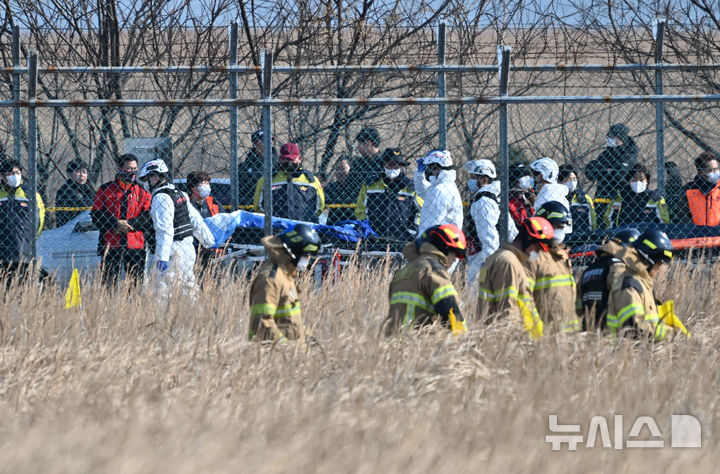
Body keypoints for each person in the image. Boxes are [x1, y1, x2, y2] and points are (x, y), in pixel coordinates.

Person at [136, 159, 215, 297]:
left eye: (147, 178)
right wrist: (209, 242)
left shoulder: (161, 197)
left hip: (172, 252)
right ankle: (196, 317)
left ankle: (162, 319)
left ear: (155, 176)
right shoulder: (180, 193)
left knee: (161, 293)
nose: (146, 183)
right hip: (188, 249)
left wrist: (162, 257)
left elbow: (164, 230)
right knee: (188, 290)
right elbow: (196, 221)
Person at [476, 216, 554, 339]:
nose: (538, 253)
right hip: (513, 339)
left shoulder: (506, 259)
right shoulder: (508, 262)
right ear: (528, 239)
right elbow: (507, 310)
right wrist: (513, 344)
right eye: (538, 248)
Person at [385, 224, 468, 336]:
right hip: (418, 344)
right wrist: (466, 341)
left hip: (391, 343)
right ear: (445, 248)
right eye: (455, 253)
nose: (455, 259)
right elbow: (451, 312)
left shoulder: (403, 272)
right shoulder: (434, 271)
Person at [248, 224, 321, 343]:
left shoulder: (286, 277)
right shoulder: (271, 279)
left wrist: (311, 342)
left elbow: (292, 322)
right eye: (305, 255)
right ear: (292, 251)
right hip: (274, 356)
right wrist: (288, 349)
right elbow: (262, 322)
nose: (308, 259)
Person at [91, 154, 152, 286]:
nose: (133, 172)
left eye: (135, 168)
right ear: (119, 168)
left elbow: (148, 218)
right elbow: (96, 214)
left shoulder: (142, 191)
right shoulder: (105, 189)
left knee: (135, 285)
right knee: (108, 284)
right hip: (111, 244)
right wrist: (116, 223)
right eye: (129, 168)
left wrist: (129, 224)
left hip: (135, 245)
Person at [606, 228, 677, 341]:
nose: (659, 269)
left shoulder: (640, 281)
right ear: (649, 260)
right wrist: (671, 334)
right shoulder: (630, 283)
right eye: (659, 264)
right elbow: (635, 326)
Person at [528, 201, 580, 333]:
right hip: (546, 332)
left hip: (569, 332)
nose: (560, 231)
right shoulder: (533, 256)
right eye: (557, 226)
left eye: (562, 226)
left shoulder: (561, 254)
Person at [464, 159, 518, 283]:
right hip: (495, 256)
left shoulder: (483, 202)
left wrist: (486, 271)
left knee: (475, 297)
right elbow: (511, 232)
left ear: (483, 179)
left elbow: (490, 241)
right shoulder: (495, 198)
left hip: (484, 259)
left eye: (473, 176)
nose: (470, 180)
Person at [577, 227, 640, 331]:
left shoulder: (588, 271)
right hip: (614, 335)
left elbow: (578, 308)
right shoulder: (619, 268)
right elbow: (629, 303)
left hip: (589, 334)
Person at [355, 148, 423, 241]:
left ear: (401, 166)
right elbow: (360, 210)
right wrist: (366, 229)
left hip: (402, 239)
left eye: (396, 165)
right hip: (374, 238)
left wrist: (412, 231)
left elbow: (419, 211)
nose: (392, 168)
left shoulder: (411, 188)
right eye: (389, 164)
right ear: (383, 164)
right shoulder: (369, 185)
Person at [253, 142, 325, 223]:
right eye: (285, 159)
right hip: (276, 227)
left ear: (299, 158)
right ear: (280, 159)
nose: (288, 162)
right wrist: (272, 221)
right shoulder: (267, 179)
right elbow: (258, 206)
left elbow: (319, 206)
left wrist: (307, 218)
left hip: (304, 227)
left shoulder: (311, 180)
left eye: (291, 159)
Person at [0, 159, 46, 284]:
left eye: (17, 172)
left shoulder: (31, 193)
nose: (14, 176)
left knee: (22, 285)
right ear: (3, 177)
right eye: (10, 174)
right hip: (2, 251)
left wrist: (30, 238)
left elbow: (40, 218)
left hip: (23, 250)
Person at [585, 123, 639, 228]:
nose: (609, 139)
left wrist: (604, 170)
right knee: (600, 224)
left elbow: (620, 175)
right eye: (609, 137)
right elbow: (590, 171)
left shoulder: (630, 154)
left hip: (620, 199)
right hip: (602, 198)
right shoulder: (607, 153)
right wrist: (607, 170)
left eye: (612, 137)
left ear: (620, 138)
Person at [414, 149, 463, 234]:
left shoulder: (440, 190)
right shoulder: (445, 186)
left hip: (439, 241)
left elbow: (430, 223)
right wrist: (419, 175)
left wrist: (421, 242)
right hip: (446, 238)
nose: (428, 171)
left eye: (429, 167)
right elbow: (423, 192)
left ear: (437, 168)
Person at [605, 164, 669, 228]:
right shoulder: (619, 197)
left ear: (647, 181)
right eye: (634, 180)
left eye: (641, 179)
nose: (638, 182)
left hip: (648, 235)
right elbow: (608, 219)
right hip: (624, 234)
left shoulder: (655, 198)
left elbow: (664, 221)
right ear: (629, 181)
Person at [186, 170, 225, 275]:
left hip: (213, 250)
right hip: (193, 250)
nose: (206, 187)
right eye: (202, 184)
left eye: (207, 183)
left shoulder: (214, 203)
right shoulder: (186, 205)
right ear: (192, 187)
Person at [238, 130, 279, 207]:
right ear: (255, 143)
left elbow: (257, 179)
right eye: (265, 141)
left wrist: (249, 174)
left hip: (267, 202)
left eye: (270, 141)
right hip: (246, 201)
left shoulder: (274, 161)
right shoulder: (249, 160)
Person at [682, 151, 720, 226]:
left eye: (717, 169)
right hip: (695, 235)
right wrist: (693, 230)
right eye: (711, 170)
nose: (716, 172)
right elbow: (683, 214)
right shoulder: (688, 190)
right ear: (701, 172)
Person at [55, 159, 95, 227]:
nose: (82, 175)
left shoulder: (88, 188)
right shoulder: (65, 190)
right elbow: (82, 205)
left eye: (84, 172)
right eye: (77, 172)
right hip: (68, 227)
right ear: (69, 174)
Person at [346, 127, 383, 199]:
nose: (358, 148)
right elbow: (348, 185)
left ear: (368, 143)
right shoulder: (358, 163)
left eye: (359, 144)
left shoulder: (385, 163)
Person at [558, 164, 596, 233]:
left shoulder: (585, 198)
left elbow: (593, 220)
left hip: (582, 237)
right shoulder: (556, 197)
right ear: (560, 181)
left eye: (574, 179)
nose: (572, 182)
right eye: (568, 179)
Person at [324, 156, 357, 225]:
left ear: (351, 169)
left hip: (352, 225)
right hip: (333, 225)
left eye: (343, 168)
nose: (339, 172)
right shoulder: (331, 186)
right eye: (337, 169)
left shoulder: (357, 187)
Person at [508, 163, 535, 228]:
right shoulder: (511, 200)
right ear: (515, 181)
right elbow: (520, 220)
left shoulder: (532, 194)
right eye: (523, 176)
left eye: (528, 175)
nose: (528, 178)